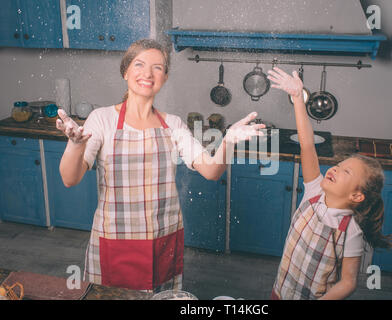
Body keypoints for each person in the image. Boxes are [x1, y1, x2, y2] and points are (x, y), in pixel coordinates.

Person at [55, 39, 265, 292]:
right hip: (115, 239)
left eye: (157, 67)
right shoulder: (102, 119)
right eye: (139, 64)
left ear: (165, 77)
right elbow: (70, 178)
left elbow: (211, 171)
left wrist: (228, 141)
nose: (147, 73)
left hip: (162, 239)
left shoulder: (173, 125)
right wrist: (75, 145)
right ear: (125, 71)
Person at [267, 67, 392, 300]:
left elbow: (348, 283)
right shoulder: (313, 190)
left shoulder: (352, 230)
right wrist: (297, 98)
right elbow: (307, 145)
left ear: (357, 196)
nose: (335, 168)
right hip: (280, 291)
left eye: (346, 171)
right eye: (339, 164)